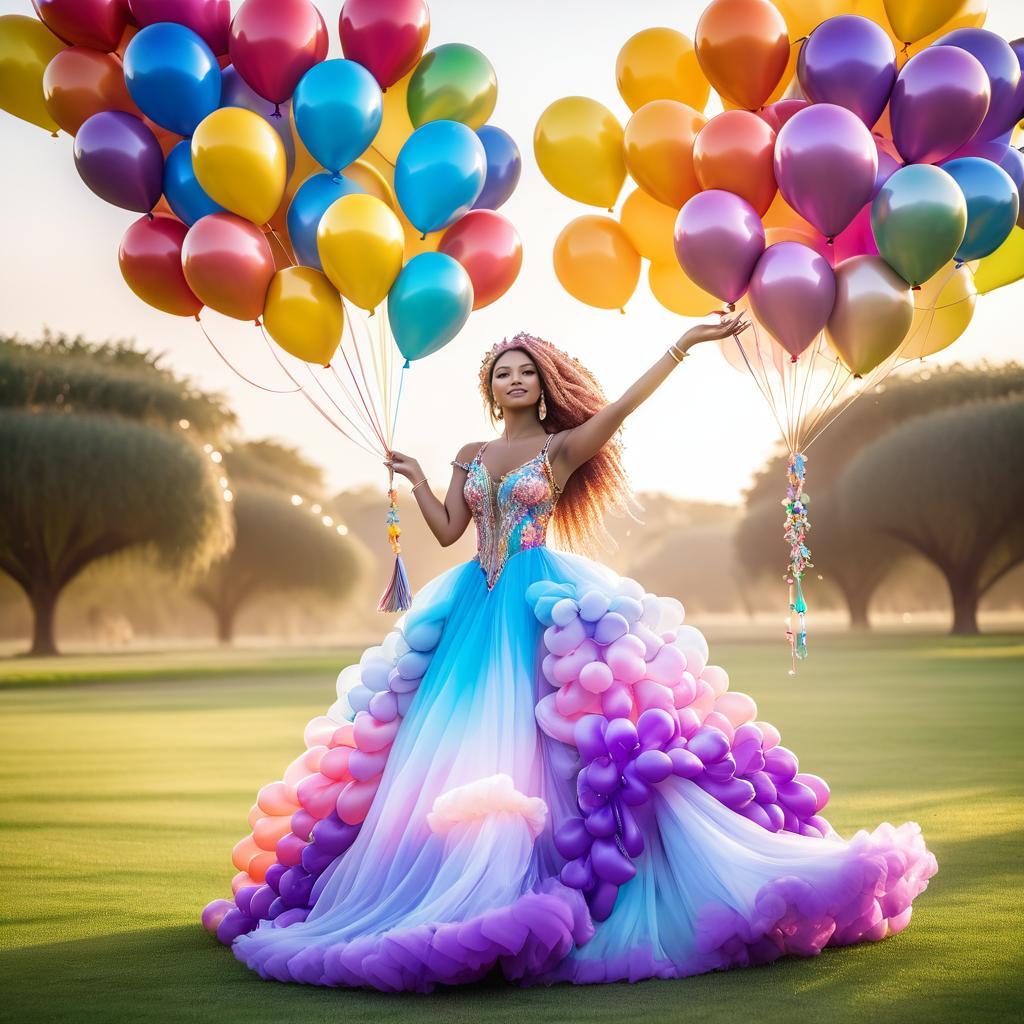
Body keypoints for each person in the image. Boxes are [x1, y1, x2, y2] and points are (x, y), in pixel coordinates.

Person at [203, 323, 937, 991]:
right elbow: (452, 528)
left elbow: (624, 410)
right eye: (502, 373)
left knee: (558, 743)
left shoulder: (561, 449)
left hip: (537, 597)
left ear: (544, 384)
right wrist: (423, 481)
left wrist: (680, 346)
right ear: (489, 387)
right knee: (453, 743)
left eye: (525, 372)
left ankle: (556, 874)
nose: (513, 381)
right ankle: (455, 875)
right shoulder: (473, 453)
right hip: (473, 605)